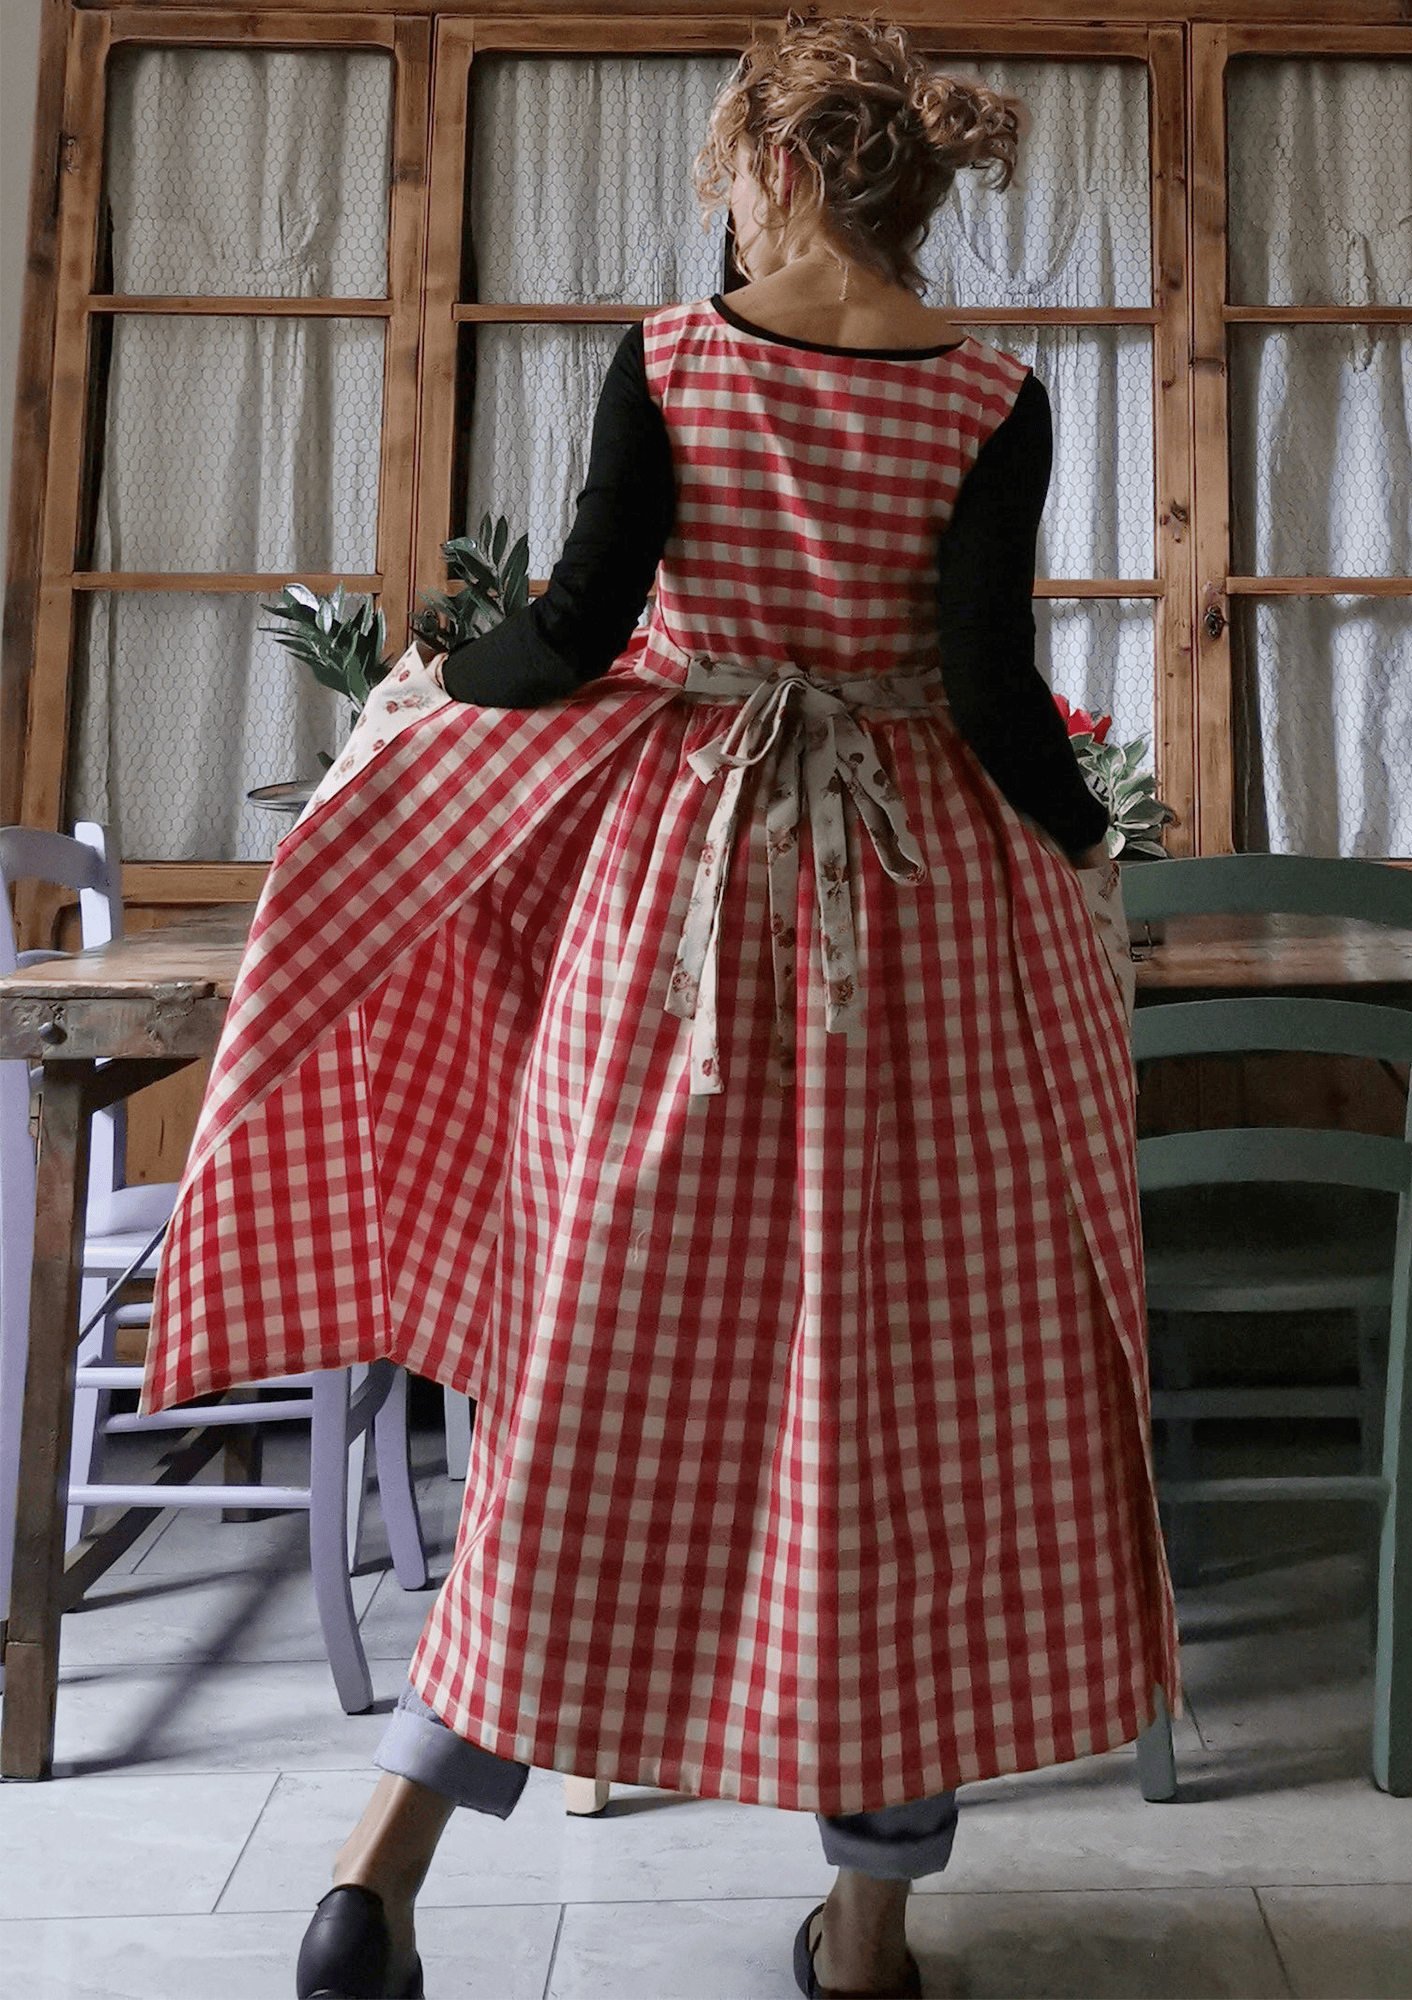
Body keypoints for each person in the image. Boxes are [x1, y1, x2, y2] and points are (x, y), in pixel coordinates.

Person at [140, 15, 1178, 1998]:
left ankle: (379, 1869)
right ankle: (868, 1941)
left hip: (674, 928)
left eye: (727, 164)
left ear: (774, 166)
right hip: (912, 945)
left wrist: (449, 682)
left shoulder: (671, 357)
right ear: (901, 181)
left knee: (586, 1375)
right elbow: (982, 692)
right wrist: (1080, 837)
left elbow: (580, 632)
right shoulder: (990, 394)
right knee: (892, 1412)